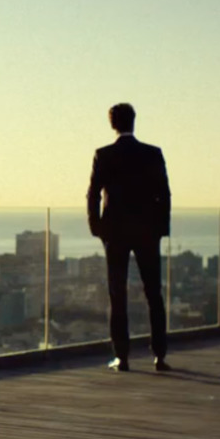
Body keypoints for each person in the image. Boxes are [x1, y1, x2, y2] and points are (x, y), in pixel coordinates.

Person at [86, 103, 171, 372]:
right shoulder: (152, 153)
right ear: (134, 121)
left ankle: (122, 357)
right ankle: (159, 355)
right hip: (147, 231)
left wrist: (96, 227)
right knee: (154, 294)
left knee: (117, 294)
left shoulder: (104, 155)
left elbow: (93, 194)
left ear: (113, 124)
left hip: (115, 233)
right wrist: (160, 228)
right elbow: (164, 194)